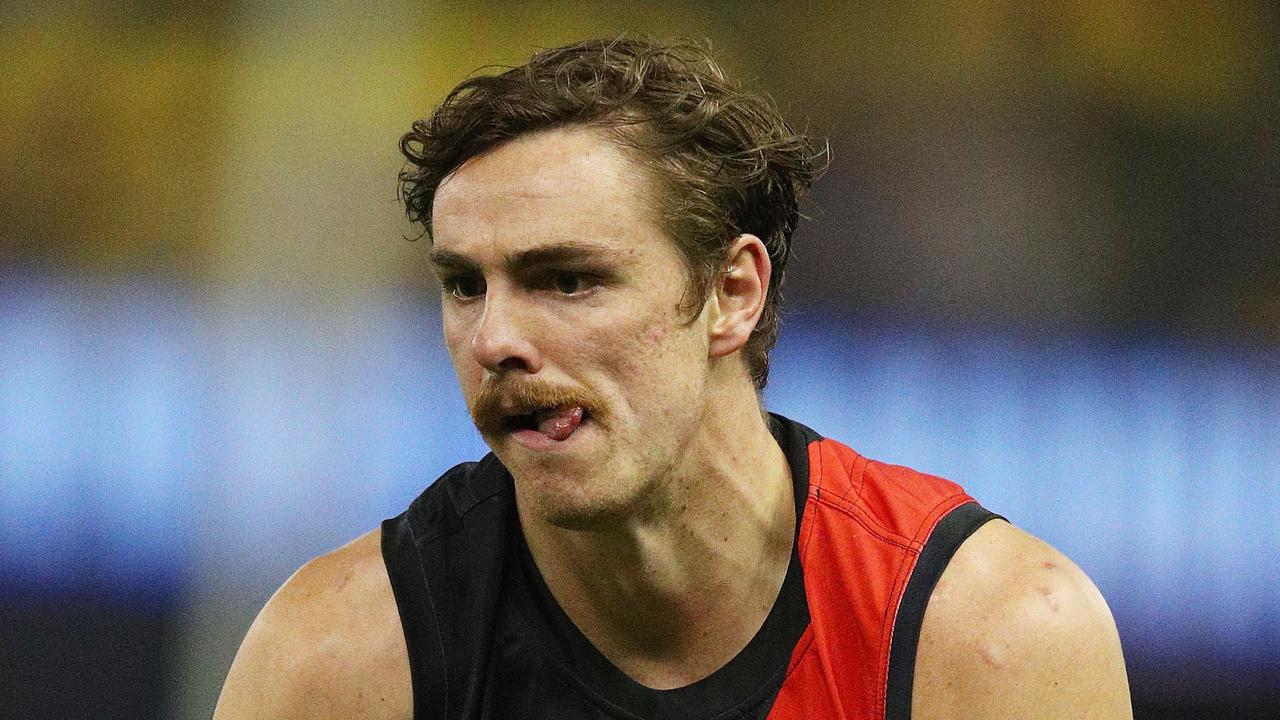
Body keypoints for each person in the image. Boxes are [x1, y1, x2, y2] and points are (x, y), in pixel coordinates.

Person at [213, 37, 1132, 720]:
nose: (493, 338)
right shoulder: (339, 662)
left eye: (566, 280)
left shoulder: (987, 641)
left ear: (731, 294)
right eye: (464, 286)